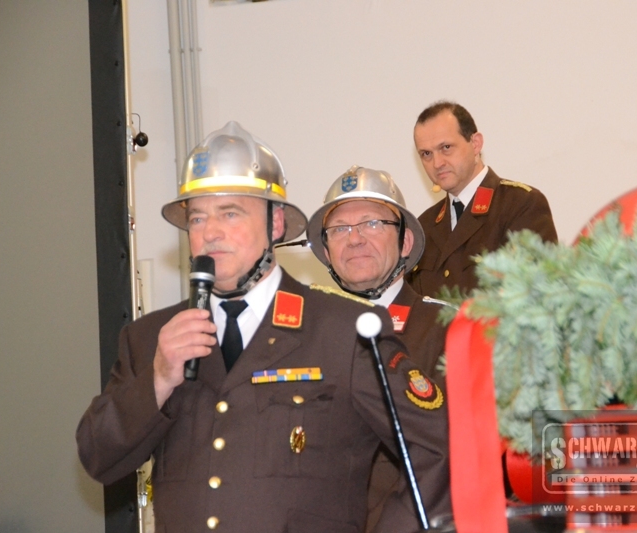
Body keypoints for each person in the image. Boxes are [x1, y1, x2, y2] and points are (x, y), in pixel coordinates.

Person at [76, 122, 451, 533]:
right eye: (197, 218)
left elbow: (440, 447)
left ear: (275, 224)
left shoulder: (343, 332)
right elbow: (98, 458)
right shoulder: (151, 337)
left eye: (230, 213)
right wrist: (158, 379)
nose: (210, 232)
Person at [307, 166, 449, 532]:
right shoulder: (302, 335)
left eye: (371, 223)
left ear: (405, 242)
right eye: (339, 229)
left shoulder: (448, 329)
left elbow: (447, 457)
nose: (354, 239)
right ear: (326, 251)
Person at [406, 101, 558, 297]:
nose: (437, 163)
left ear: (475, 143)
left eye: (446, 147)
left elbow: (537, 294)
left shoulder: (520, 204)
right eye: (426, 154)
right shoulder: (423, 226)